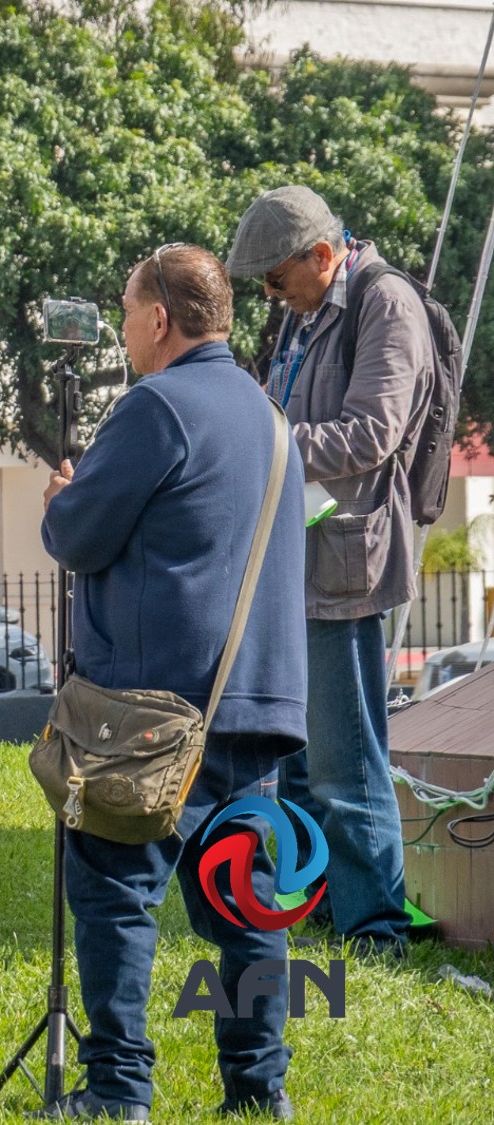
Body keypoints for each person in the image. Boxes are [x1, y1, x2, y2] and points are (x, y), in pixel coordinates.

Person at [38, 244, 307, 1121]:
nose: (120, 329)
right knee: (245, 908)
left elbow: (76, 538)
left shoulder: (153, 407)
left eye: (125, 311)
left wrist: (61, 498)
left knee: (114, 895)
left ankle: (116, 1088)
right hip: (256, 702)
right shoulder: (270, 419)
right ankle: (257, 1086)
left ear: (158, 319)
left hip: (151, 709)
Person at [226, 185, 426, 957]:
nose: (270, 297)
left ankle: (375, 925)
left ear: (320, 254)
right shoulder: (304, 311)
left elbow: (372, 430)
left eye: (276, 280)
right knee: (301, 763)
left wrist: (260, 442)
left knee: (346, 760)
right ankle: (313, 905)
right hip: (294, 559)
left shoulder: (385, 304)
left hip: (343, 565)